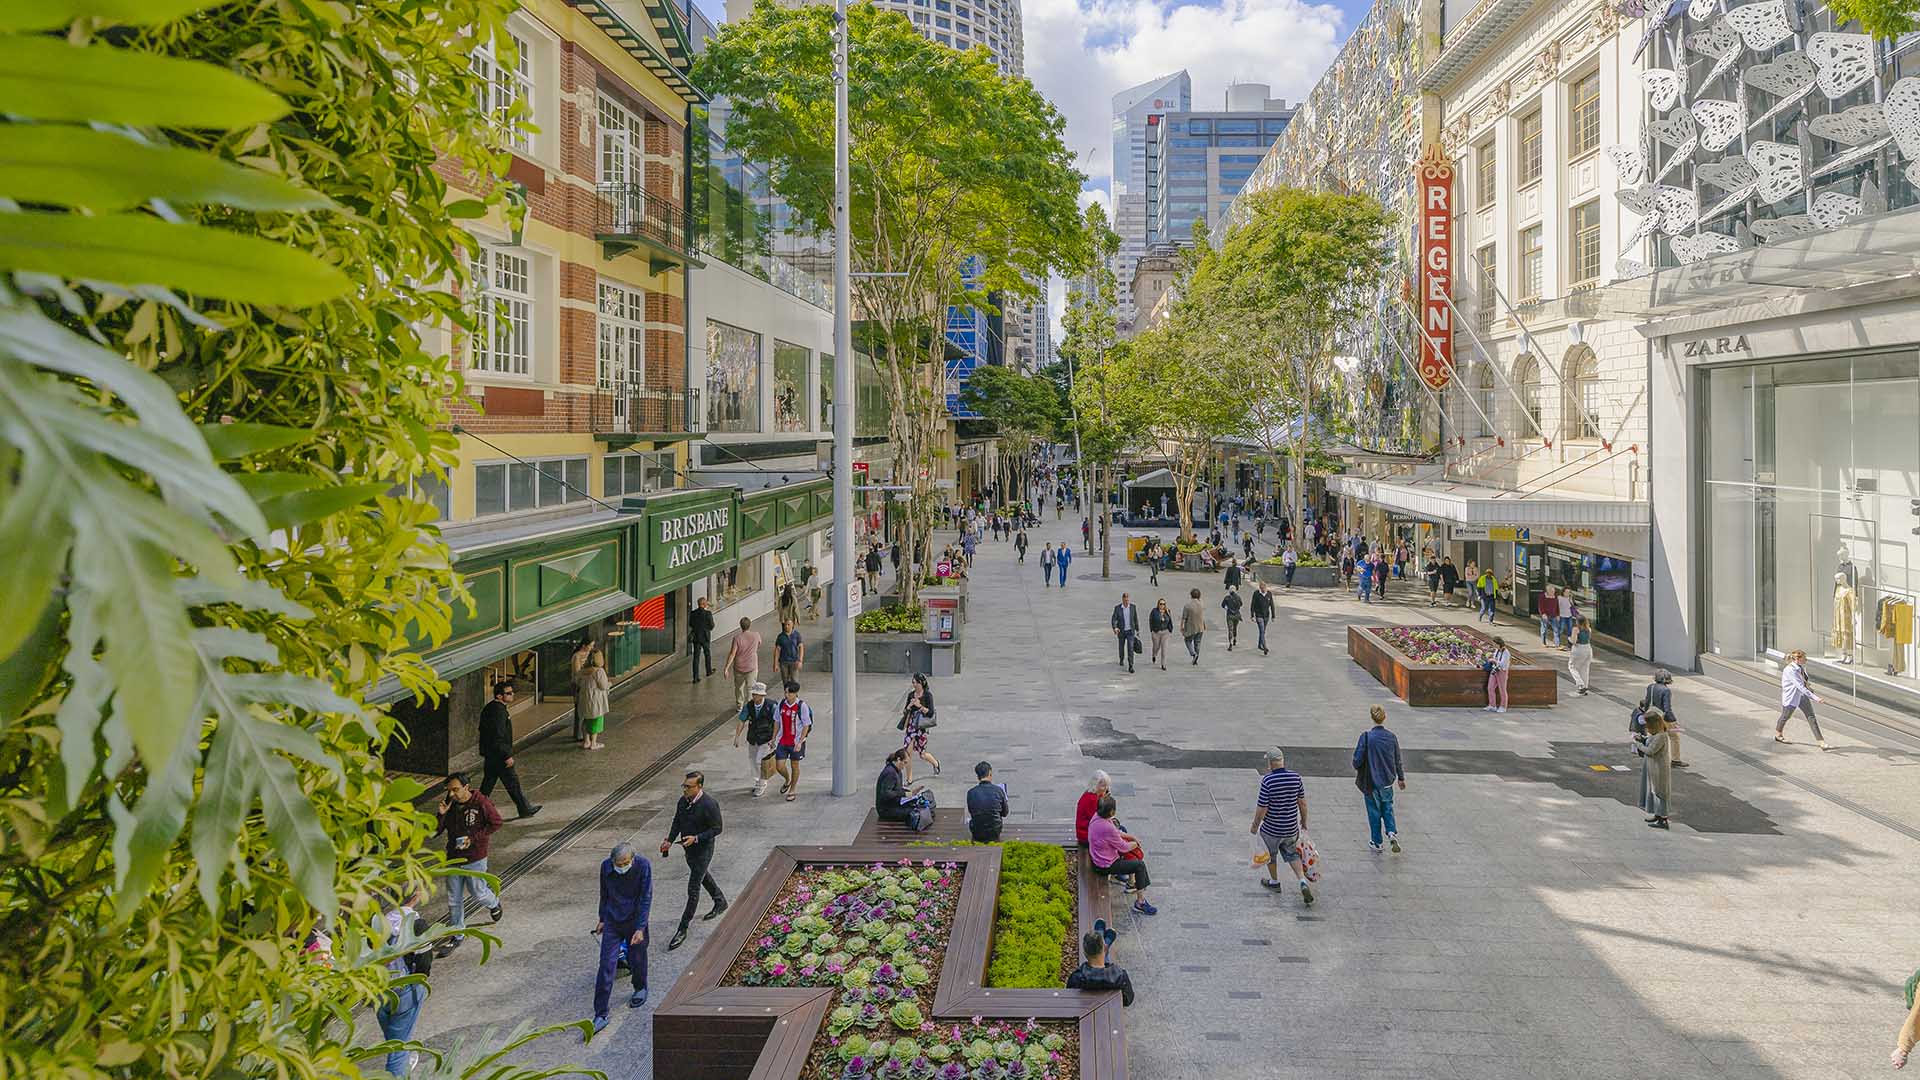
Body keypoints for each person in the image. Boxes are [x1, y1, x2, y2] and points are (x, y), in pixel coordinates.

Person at [433, 773, 502, 955]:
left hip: (475, 858)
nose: (453, 794)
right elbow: (435, 832)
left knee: (478, 893)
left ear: (466, 787)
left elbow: (496, 822)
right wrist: (440, 815)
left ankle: (493, 902)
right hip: (454, 858)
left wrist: (474, 839)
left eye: (456, 789)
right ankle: (457, 933)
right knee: (453, 898)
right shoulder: (451, 807)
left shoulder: (481, 803)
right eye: (450, 791)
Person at [660, 771, 725, 951]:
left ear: (699, 787)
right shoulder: (683, 801)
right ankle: (720, 901)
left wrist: (696, 838)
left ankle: (682, 928)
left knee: (693, 887)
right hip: (688, 848)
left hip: (703, 849)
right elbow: (677, 822)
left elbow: (717, 829)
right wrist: (669, 840)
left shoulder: (709, 804)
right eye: (684, 786)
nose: (685, 789)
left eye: (689, 787)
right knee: (702, 876)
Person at [591, 842, 652, 1031]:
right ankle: (600, 1013)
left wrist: (640, 928)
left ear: (632, 859)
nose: (622, 866)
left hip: (634, 921)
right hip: (613, 920)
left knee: (637, 958)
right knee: (606, 965)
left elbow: (645, 897)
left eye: (625, 862)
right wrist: (602, 918)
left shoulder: (643, 866)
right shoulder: (606, 867)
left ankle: (640, 987)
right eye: (618, 863)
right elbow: (604, 894)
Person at [374, 889, 430, 1075]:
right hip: (404, 989)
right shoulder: (417, 924)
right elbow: (424, 962)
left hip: (378, 989)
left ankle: (407, 1058)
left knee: (394, 1037)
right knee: (396, 1049)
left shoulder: (376, 923)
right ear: (416, 896)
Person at [1250, 748, 1314, 905]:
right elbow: (1303, 803)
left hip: (1272, 829)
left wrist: (1255, 825)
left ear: (1270, 763)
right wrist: (1304, 821)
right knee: (1292, 855)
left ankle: (1274, 882)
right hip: (1291, 828)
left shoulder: (1268, 780)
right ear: (1282, 760)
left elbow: (1262, 807)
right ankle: (1302, 881)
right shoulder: (1295, 777)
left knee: (1271, 856)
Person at [477, 681, 540, 819]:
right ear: (499, 696)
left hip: (491, 754)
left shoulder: (491, 708)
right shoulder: (498, 712)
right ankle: (524, 809)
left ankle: (476, 808)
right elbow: (497, 736)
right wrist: (507, 755)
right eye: (509, 693)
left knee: (488, 783)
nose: (512, 695)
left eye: (512, 692)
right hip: (498, 755)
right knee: (512, 783)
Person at [1088, 796, 1157, 916]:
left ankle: (1134, 883)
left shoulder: (1097, 816)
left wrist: (1131, 837)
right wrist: (1136, 844)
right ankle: (1140, 902)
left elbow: (1117, 833)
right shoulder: (1107, 827)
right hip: (1105, 865)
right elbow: (1123, 847)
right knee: (1139, 865)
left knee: (1123, 830)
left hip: (1097, 857)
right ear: (1111, 812)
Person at [1352, 705, 1406, 854]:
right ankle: (1391, 832)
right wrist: (1401, 778)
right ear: (1384, 717)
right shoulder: (1391, 737)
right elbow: (1397, 760)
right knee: (1387, 807)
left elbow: (1357, 760)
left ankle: (1377, 842)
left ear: (1372, 717)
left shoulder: (1366, 737)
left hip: (1371, 781)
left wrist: (1358, 766)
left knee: (1374, 811)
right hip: (1388, 781)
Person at [1065, 929, 1135, 1005]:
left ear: (1085, 953)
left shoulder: (1076, 977)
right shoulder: (1120, 976)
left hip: (1084, 1014)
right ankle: (1105, 952)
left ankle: (1104, 948)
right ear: (1104, 948)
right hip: (1110, 1014)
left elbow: (1070, 998)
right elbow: (1129, 1000)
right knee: (1105, 962)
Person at [1776, 649, 1829, 749]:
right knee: (1785, 716)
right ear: (1798, 659)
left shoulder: (1801, 668)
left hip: (1802, 696)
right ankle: (1778, 734)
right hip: (1792, 696)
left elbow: (1804, 682)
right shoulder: (1790, 670)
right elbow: (1800, 686)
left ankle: (1821, 742)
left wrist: (1809, 687)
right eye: (1805, 658)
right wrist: (1816, 698)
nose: (1806, 660)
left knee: (1811, 717)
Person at [731, 681, 777, 797]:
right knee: (752, 760)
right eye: (754, 694)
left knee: (759, 761)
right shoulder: (749, 706)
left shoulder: (771, 706)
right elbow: (742, 720)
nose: (754, 696)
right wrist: (737, 737)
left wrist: (774, 739)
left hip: (766, 738)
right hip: (753, 738)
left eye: (757, 694)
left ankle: (762, 783)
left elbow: (777, 722)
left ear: (762, 695)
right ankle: (758, 780)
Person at [1637, 667, 1688, 767]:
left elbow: (1647, 701)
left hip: (1651, 715)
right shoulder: (1666, 690)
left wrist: (1645, 713)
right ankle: (1675, 759)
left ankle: (1649, 752)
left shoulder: (1650, 687)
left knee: (1652, 735)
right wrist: (1673, 721)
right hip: (1662, 717)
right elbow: (1667, 708)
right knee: (1674, 737)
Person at [772, 681, 813, 801]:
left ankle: (793, 789)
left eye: (789, 693)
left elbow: (806, 725)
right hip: (783, 740)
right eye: (785, 692)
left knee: (795, 765)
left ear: (795, 693)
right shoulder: (781, 704)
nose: (787, 695)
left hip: (796, 742)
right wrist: (773, 737)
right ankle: (787, 780)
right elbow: (776, 722)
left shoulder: (802, 706)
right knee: (779, 766)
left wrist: (800, 742)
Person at [1634, 709, 1673, 829]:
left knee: (1660, 792)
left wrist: (1638, 744)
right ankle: (1658, 814)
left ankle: (1663, 818)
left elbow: (1651, 751)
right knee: (1654, 791)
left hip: (1658, 768)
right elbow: (1651, 743)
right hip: (1653, 767)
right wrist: (1643, 739)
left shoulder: (1661, 736)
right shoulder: (1657, 734)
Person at [900, 673, 939, 781]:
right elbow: (905, 711)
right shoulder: (911, 695)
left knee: (922, 754)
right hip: (911, 726)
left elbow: (930, 713)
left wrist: (919, 706)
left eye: (915, 682)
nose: (914, 685)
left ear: (921, 683)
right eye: (913, 682)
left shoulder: (928, 695)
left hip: (921, 727)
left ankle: (935, 763)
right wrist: (909, 706)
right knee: (907, 753)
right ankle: (909, 779)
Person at [875, 747, 927, 824]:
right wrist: (905, 794)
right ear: (899, 760)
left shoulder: (897, 771)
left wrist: (911, 793)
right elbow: (886, 794)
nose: (905, 766)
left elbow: (897, 790)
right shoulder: (890, 773)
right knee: (916, 813)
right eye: (905, 763)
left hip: (893, 804)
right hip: (885, 810)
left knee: (918, 804)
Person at [966, 761, 1009, 842]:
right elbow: (1005, 813)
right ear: (990, 773)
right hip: (995, 831)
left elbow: (972, 812)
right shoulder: (998, 790)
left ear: (977, 776)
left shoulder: (971, 792)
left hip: (977, 831)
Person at [724, 616, 761, 709]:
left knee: (739, 687)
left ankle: (739, 705)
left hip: (739, 667)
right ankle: (749, 706)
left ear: (741, 626)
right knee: (751, 688)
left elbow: (732, 653)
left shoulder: (737, 638)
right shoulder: (756, 635)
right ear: (750, 625)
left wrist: (726, 668)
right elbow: (759, 644)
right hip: (752, 666)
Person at [579, 647, 611, 751]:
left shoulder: (583, 671)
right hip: (595, 699)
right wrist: (609, 684)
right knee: (596, 720)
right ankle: (593, 743)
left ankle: (586, 741)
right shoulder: (599, 671)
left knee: (586, 719)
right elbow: (603, 686)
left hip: (584, 698)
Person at [1075, 771, 1111, 845]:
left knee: (1119, 830)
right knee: (1117, 833)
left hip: (1085, 831)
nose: (1106, 788)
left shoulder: (1091, 793)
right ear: (1095, 785)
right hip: (1085, 835)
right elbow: (1097, 820)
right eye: (1103, 786)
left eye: (1107, 786)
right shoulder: (1092, 799)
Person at [570, 638, 595, 742]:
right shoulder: (577, 656)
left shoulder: (591, 654)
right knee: (580, 709)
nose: (592, 647)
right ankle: (578, 733)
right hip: (578, 684)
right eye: (590, 645)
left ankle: (587, 733)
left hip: (589, 683)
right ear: (584, 645)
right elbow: (577, 672)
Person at [1111, 592, 1140, 674]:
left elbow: (1135, 619)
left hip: (1130, 631)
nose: (1126, 602)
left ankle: (1131, 665)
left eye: (1127, 600)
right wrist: (1115, 627)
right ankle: (1121, 658)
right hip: (1122, 631)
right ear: (1122, 600)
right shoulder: (1118, 608)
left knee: (1130, 648)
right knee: (1121, 646)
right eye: (1125, 600)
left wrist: (1137, 630)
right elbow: (1114, 619)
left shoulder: (1133, 607)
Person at [688, 596, 715, 683]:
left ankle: (695, 677)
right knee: (707, 654)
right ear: (703, 604)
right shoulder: (708, 613)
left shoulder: (693, 613)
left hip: (696, 637)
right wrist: (706, 629)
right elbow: (712, 625)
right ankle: (708, 671)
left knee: (696, 657)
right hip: (705, 637)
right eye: (706, 602)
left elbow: (691, 624)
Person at [1483, 636, 1511, 713]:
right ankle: (1492, 705)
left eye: (1495, 644)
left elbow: (1502, 664)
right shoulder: (1497, 650)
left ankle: (1503, 706)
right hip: (1495, 670)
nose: (1494, 646)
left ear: (1499, 644)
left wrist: (1494, 661)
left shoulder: (1506, 653)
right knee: (1490, 687)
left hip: (1502, 671)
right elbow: (1496, 659)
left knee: (1502, 689)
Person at [774, 619, 804, 688]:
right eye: (785, 625)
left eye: (788, 625)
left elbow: (801, 647)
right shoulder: (781, 636)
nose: (786, 626)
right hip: (784, 662)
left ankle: (794, 696)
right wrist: (775, 664)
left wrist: (800, 660)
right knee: (785, 681)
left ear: (792, 625)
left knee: (794, 681)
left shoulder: (796, 635)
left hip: (794, 662)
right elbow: (777, 650)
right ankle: (787, 695)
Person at [1180, 588, 1206, 665]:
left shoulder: (1187, 605)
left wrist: (1182, 627)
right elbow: (1201, 616)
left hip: (1191, 627)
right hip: (1200, 627)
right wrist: (1204, 624)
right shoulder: (1201, 604)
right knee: (1197, 643)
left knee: (1187, 640)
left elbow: (1184, 618)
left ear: (1191, 595)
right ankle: (1196, 658)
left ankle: (1193, 654)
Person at [1249, 582, 1274, 655]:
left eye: (1264, 588)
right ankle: (1265, 647)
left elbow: (1272, 605)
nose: (1263, 590)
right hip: (1259, 615)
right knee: (1262, 630)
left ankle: (1260, 644)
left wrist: (1273, 616)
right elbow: (1252, 604)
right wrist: (1252, 615)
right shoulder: (1256, 593)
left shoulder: (1269, 594)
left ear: (1266, 587)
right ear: (1260, 588)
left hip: (1266, 615)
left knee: (1262, 631)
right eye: (1261, 588)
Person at [1148, 599, 1174, 670]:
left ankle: (1163, 664)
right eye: (1161, 604)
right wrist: (1152, 630)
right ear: (1158, 604)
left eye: (1163, 604)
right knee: (1156, 646)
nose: (1162, 605)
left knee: (1164, 648)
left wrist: (1170, 629)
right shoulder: (1154, 611)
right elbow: (1150, 620)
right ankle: (1154, 654)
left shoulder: (1167, 611)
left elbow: (1170, 620)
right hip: (1156, 632)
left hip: (1165, 632)